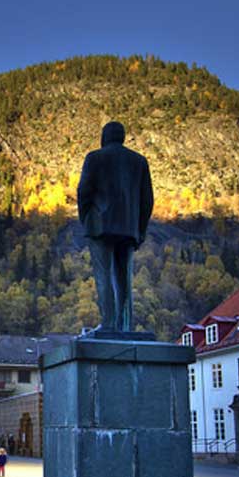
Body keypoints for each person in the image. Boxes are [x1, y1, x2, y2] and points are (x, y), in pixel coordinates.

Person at [76, 120, 154, 333]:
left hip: (100, 226)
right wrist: (141, 230)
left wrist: (87, 219)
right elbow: (147, 200)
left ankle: (109, 324)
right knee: (124, 278)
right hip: (129, 229)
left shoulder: (95, 158)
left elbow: (84, 192)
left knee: (103, 274)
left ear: (104, 137)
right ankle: (125, 325)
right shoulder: (139, 162)